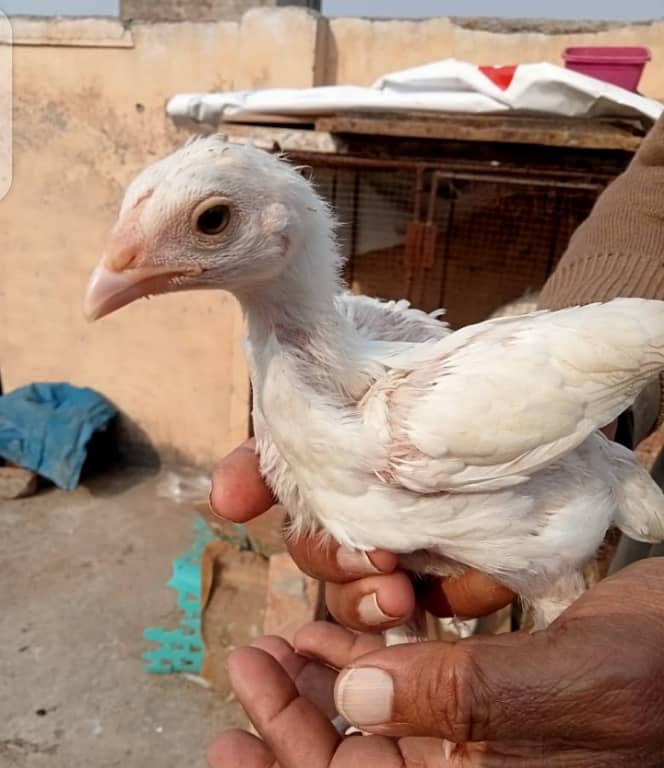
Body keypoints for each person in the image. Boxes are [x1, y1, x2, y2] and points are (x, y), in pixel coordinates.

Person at [205, 112, 664, 767]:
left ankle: (515, 726)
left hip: (577, 511)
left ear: (280, 230)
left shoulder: (414, 420)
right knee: (396, 600)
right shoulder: (319, 368)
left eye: (212, 223)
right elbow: (656, 195)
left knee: (570, 630)